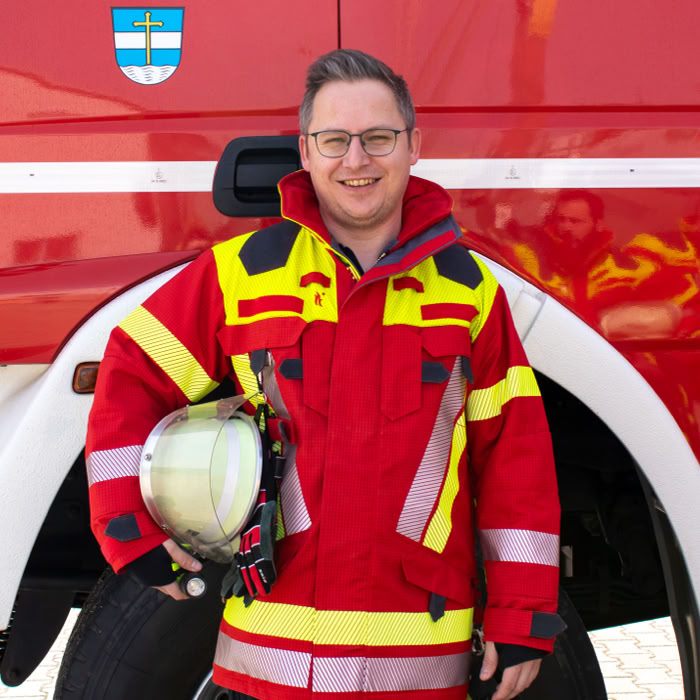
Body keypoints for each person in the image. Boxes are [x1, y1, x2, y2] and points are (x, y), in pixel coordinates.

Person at [86, 49, 562, 700]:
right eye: (334, 140)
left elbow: (516, 462)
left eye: (379, 137)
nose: (356, 159)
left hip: (419, 673)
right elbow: (134, 368)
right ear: (306, 153)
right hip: (271, 674)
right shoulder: (241, 274)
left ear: (413, 146)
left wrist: (523, 613)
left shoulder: (470, 293)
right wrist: (128, 528)